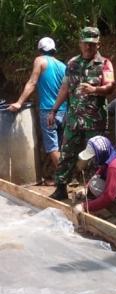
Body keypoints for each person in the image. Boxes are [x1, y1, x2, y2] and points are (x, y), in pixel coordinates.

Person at [48, 27, 115, 200]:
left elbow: (110, 86)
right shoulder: (72, 64)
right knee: (67, 153)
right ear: (80, 43)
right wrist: (54, 110)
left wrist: (95, 89)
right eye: (85, 43)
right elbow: (64, 87)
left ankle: (94, 191)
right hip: (74, 119)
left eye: (92, 44)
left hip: (95, 121)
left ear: (98, 44)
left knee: (95, 156)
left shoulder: (105, 64)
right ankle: (61, 187)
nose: (88, 47)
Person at [8, 37, 67, 184]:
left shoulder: (40, 60)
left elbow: (32, 82)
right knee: (61, 146)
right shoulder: (62, 65)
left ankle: (65, 179)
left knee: (52, 147)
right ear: (54, 50)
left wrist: (19, 102)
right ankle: (58, 177)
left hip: (48, 111)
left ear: (40, 50)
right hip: (64, 110)